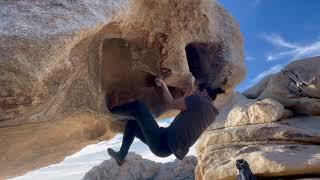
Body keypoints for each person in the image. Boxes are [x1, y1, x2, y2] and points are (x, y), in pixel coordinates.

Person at [107, 77, 225, 166]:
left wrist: (163, 85)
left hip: (162, 142)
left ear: (204, 93)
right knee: (132, 124)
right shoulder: (210, 113)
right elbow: (186, 105)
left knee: (139, 106)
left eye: (199, 91)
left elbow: (171, 103)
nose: (196, 92)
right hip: (165, 145)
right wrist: (189, 88)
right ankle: (121, 156)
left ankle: (111, 109)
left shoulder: (199, 101)